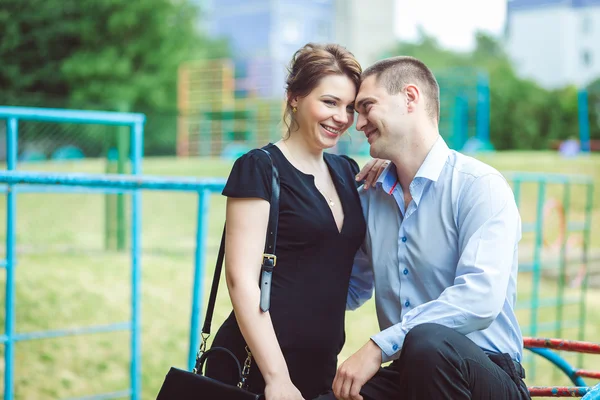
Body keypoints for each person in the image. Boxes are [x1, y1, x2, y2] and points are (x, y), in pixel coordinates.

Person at [321, 56, 531, 400]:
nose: (356, 124)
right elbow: (352, 287)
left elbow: (480, 298)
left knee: (428, 341)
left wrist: (378, 346)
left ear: (410, 98)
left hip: (486, 376)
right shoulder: (370, 197)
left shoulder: (479, 185)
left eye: (366, 107)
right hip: (411, 374)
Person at [204, 43, 387, 400]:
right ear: (294, 98)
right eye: (329, 102)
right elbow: (240, 280)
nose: (342, 117)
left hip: (320, 368)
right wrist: (277, 378)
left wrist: (388, 166)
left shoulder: (348, 172)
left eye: (349, 107)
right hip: (257, 367)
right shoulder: (260, 167)